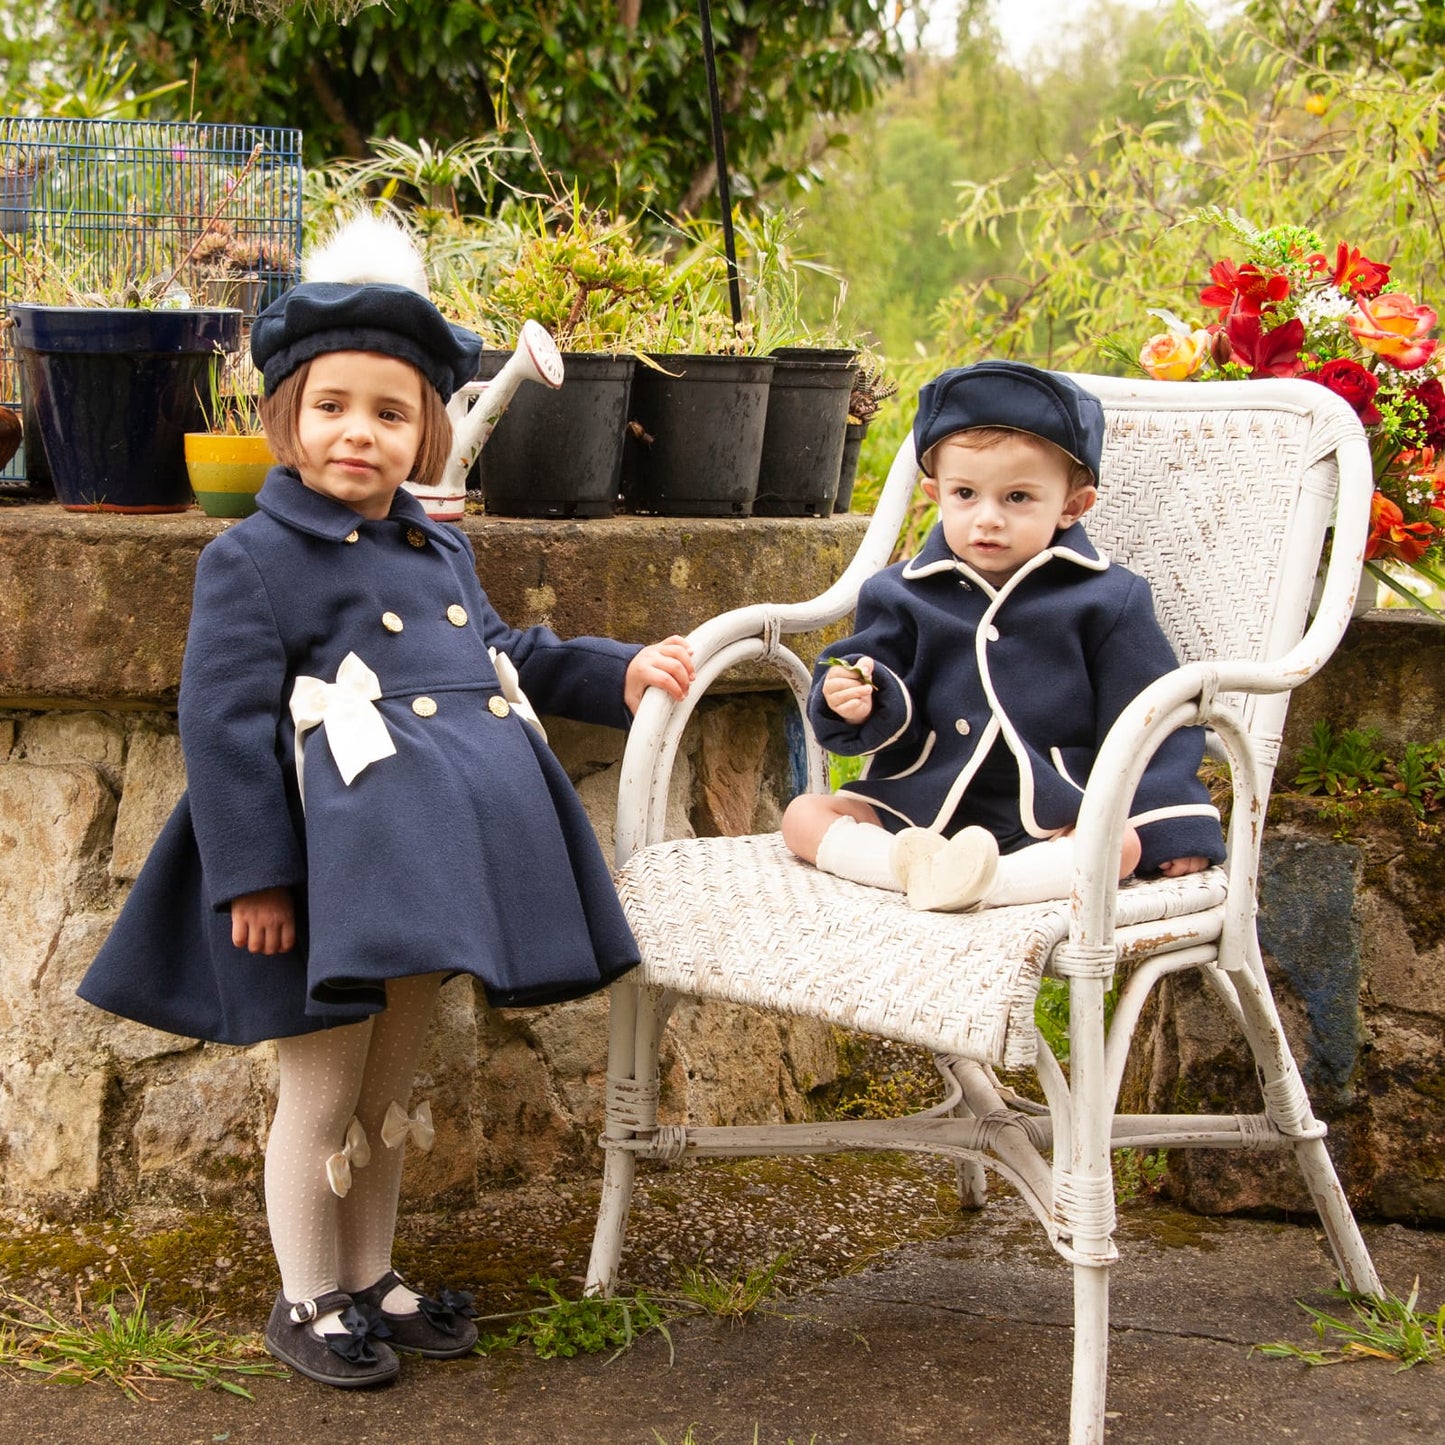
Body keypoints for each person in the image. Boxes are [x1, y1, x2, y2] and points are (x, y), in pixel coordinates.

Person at [78, 239, 694, 1389]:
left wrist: (614, 669)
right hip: (325, 876)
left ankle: (370, 1277)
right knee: (319, 1089)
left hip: (426, 868)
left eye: (389, 414)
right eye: (332, 407)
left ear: (427, 435)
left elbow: (501, 654)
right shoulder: (253, 560)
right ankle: (307, 1293)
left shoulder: (436, 547)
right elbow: (218, 727)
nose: (358, 433)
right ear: (286, 421)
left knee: (388, 1091)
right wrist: (253, 877)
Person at [781, 360, 1224, 913]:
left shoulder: (1107, 599)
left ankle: (990, 885)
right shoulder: (900, 592)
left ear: (1072, 506)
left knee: (1121, 847)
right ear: (935, 493)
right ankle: (910, 871)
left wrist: (1173, 820)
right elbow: (861, 668)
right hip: (921, 807)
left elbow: (1152, 717)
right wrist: (850, 699)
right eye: (965, 494)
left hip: (1050, 813)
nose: (987, 519)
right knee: (803, 816)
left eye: (1017, 498)